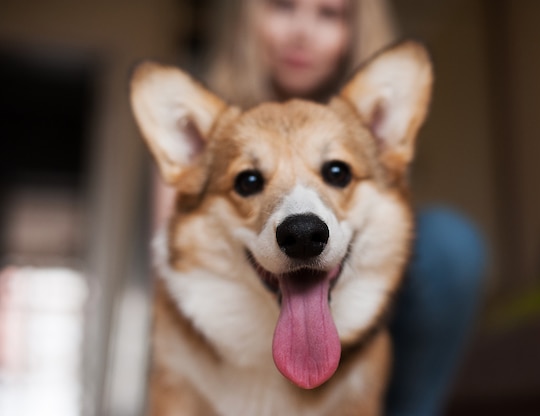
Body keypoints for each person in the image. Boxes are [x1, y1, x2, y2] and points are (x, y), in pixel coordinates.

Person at [155, 0, 487, 414]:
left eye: (335, 172)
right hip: (224, 335)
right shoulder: (205, 133)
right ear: (248, 15)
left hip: (362, 337)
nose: (303, 32)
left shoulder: (366, 120)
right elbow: (178, 261)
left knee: (447, 244)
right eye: (251, 180)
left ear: (354, 27)